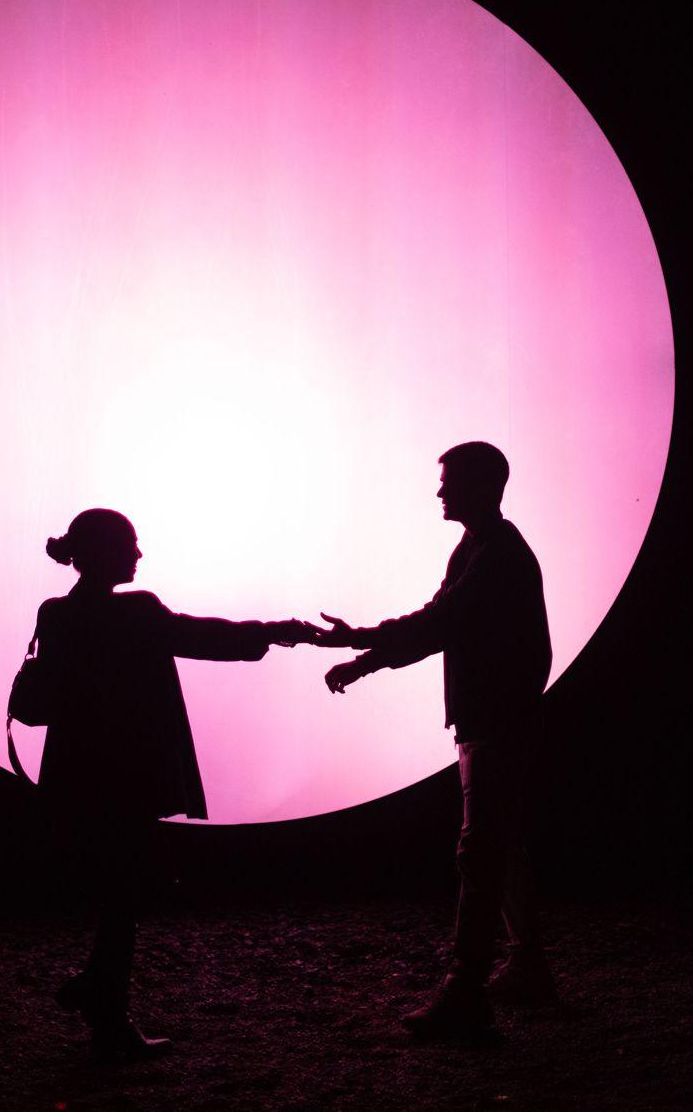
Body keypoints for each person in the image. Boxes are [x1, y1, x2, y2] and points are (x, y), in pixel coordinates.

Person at [30, 507, 318, 1059]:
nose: (139, 555)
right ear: (107, 552)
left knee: (117, 889)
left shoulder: (54, 614)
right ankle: (106, 1010)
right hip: (126, 775)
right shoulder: (137, 612)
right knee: (125, 892)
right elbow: (202, 636)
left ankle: (101, 994)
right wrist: (277, 631)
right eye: (131, 545)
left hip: (76, 773)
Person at [316, 442, 554, 1041]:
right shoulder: (484, 550)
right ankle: (525, 965)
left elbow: (439, 624)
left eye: (448, 483)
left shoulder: (491, 554)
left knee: (480, 851)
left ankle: (466, 991)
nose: (439, 493)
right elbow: (442, 622)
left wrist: (360, 647)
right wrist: (365, 657)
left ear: (480, 486)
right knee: (501, 845)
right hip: (496, 718)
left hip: (493, 720)